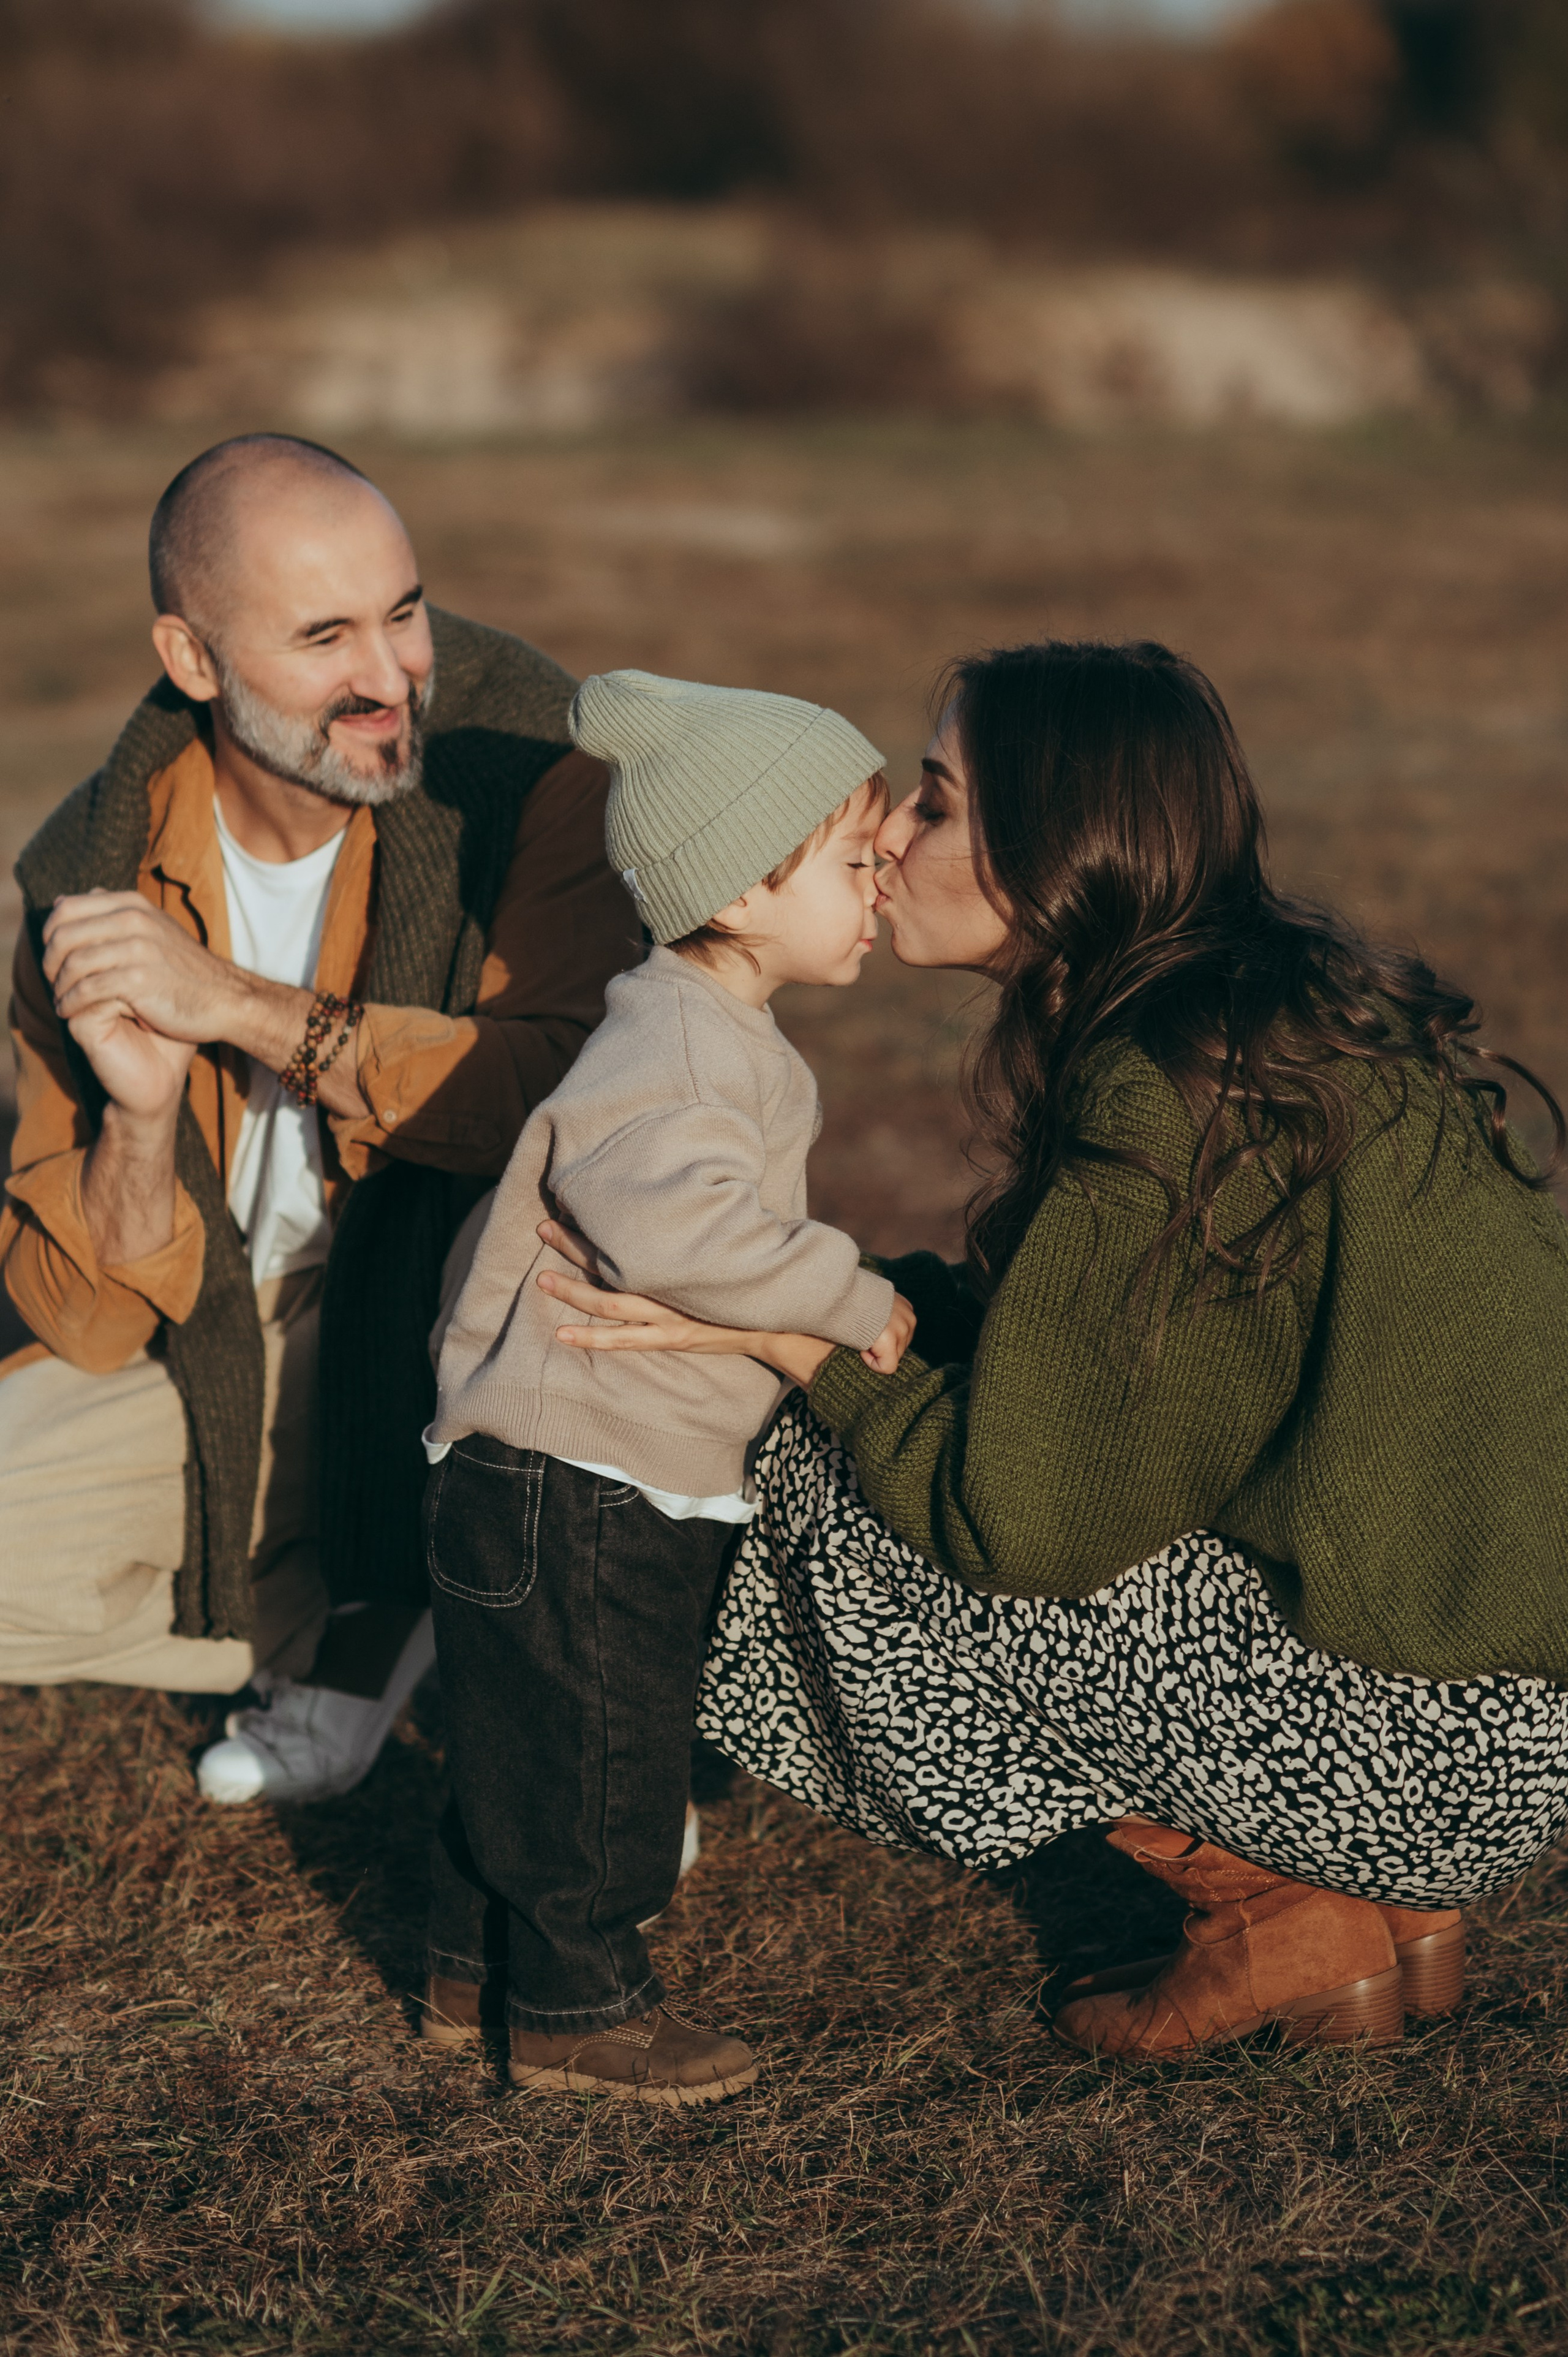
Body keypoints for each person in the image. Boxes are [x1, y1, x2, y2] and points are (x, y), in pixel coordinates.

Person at [536, 637, 1568, 2059]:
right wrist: (860, 1303)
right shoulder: (1272, 1015)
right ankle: (1375, 1910)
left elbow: (1015, 1520)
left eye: (937, 801)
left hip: (1425, 1751)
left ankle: (1277, 1905)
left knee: (824, 1503)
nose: (887, 834)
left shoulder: (1175, 1088)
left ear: (1055, 845)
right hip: (1500, 1715)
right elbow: (1093, 1378)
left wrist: (788, 1340)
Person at [1, 433, 631, 1809]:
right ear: (192, 659)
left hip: (481, 1300)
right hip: (235, 1319)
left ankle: (407, 1596)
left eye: (402, 610)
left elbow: (558, 1089)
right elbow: (90, 1318)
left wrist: (236, 1004)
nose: (390, 674)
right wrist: (138, 1113)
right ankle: (365, 1600)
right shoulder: (85, 875)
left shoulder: (529, 759)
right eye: (322, 635)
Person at [420, 668, 911, 2104]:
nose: (878, 885)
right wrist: (848, 1292)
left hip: (574, 1461)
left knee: (525, 1738)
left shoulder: (700, 1026)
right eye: (849, 861)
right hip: (575, 1468)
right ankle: (581, 2012)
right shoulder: (677, 1039)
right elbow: (678, 1229)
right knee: (601, 1754)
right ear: (743, 890)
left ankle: (471, 1972)